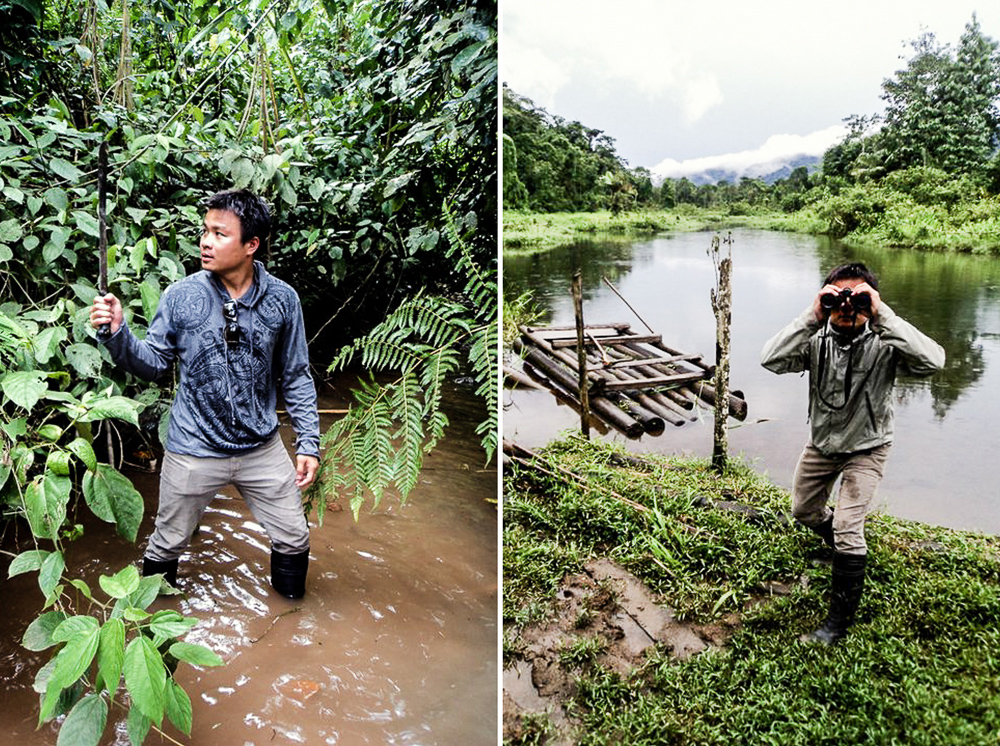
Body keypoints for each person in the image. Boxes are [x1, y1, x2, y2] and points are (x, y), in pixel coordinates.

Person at [90, 189, 320, 599]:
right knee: (167, 543)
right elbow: (155, 364)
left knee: (294, 538)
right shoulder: (181, 296)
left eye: (219, 233)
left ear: (251, 245)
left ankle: (292, 615)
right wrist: (117, 334)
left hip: (261, 449)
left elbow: (296, 374)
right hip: (192, 449)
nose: (206, 242)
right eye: (205, 231)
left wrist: (308, 442)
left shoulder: (283, 300)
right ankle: (154, 638)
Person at [760, 262, 945, 644]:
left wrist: (882, 315)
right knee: (803, 510)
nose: (846, 306)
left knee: (848, 526)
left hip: (869, 446)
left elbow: (934, 361)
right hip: (823, 443)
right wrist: (812, 316)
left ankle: (836, 625)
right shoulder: (816, 340)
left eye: (857, 297)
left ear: (872, 302)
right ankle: (842, 552)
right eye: (836, 298)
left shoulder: (886, 341)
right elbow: (771, 359)